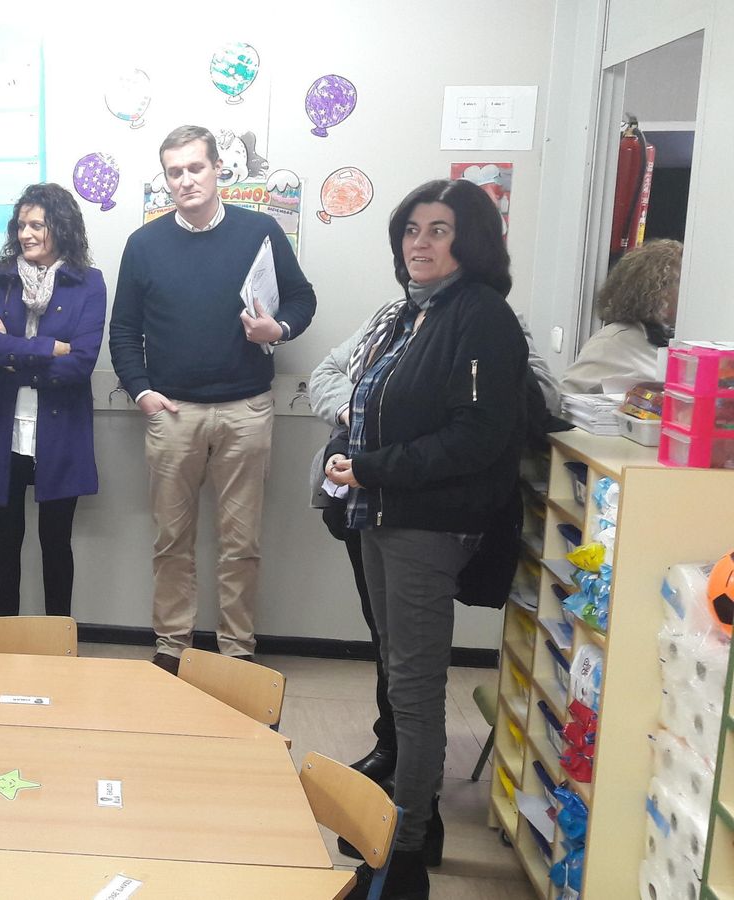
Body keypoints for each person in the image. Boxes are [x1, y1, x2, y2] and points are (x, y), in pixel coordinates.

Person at [307, 274, 560, 871]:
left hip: (425, 518)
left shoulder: (486, 324)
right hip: (373, 508)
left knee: (416, 688)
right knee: (396, 667)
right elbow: (327, 375)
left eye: (439, 232)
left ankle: (412, 840)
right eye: (411, 232)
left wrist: (375, 449)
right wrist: (357, 415)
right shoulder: (396, 318)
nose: (421, 247)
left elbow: (476, 432)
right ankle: (401, 794)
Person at [108, 125, 317, 671]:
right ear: (166, 179)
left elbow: (301, 296)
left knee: (240, 544)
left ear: (218, 168)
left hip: (246, 410)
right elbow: (124, 330)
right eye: (174, 172)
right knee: (171, 540)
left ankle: (235, 653)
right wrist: (142, 392)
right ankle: (173, 648)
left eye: (195, 168)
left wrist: (281, 329)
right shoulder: (144, 245)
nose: (185, 180)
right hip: (172, 413)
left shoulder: (260, 231)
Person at [0, 183, 105, 617]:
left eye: (37, 225)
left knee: (56, 543)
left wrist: (13, 348)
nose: (25, 233)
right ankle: (3, 638)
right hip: (2, 431)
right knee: (5, 542)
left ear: (60, 228)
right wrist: (49, 348)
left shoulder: (88, 283)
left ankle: (57, 643)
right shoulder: (0, 278)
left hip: (60, 430)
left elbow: (81, 362)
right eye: (21, 224)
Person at [560, 238, 682, 393]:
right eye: (677, 282)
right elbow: (566, 401)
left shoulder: (673, 339)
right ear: (657, 290)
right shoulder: (611, 343)